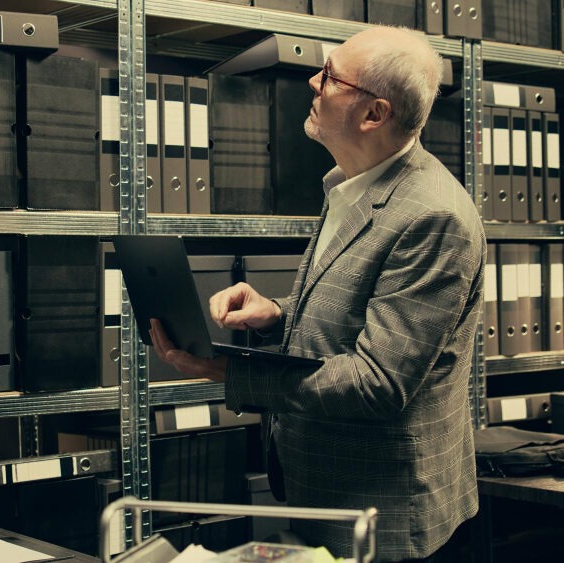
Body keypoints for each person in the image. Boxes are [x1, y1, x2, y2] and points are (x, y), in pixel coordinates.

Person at [148, 26, 484, 562]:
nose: (312, 81)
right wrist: (276, 314)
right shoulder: (351, 183)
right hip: (324, 492)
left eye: (329, 76)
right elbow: (355, 314)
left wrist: (227, 373)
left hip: (383, 516)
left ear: (374, 114)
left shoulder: (432, 217)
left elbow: (377, 383)